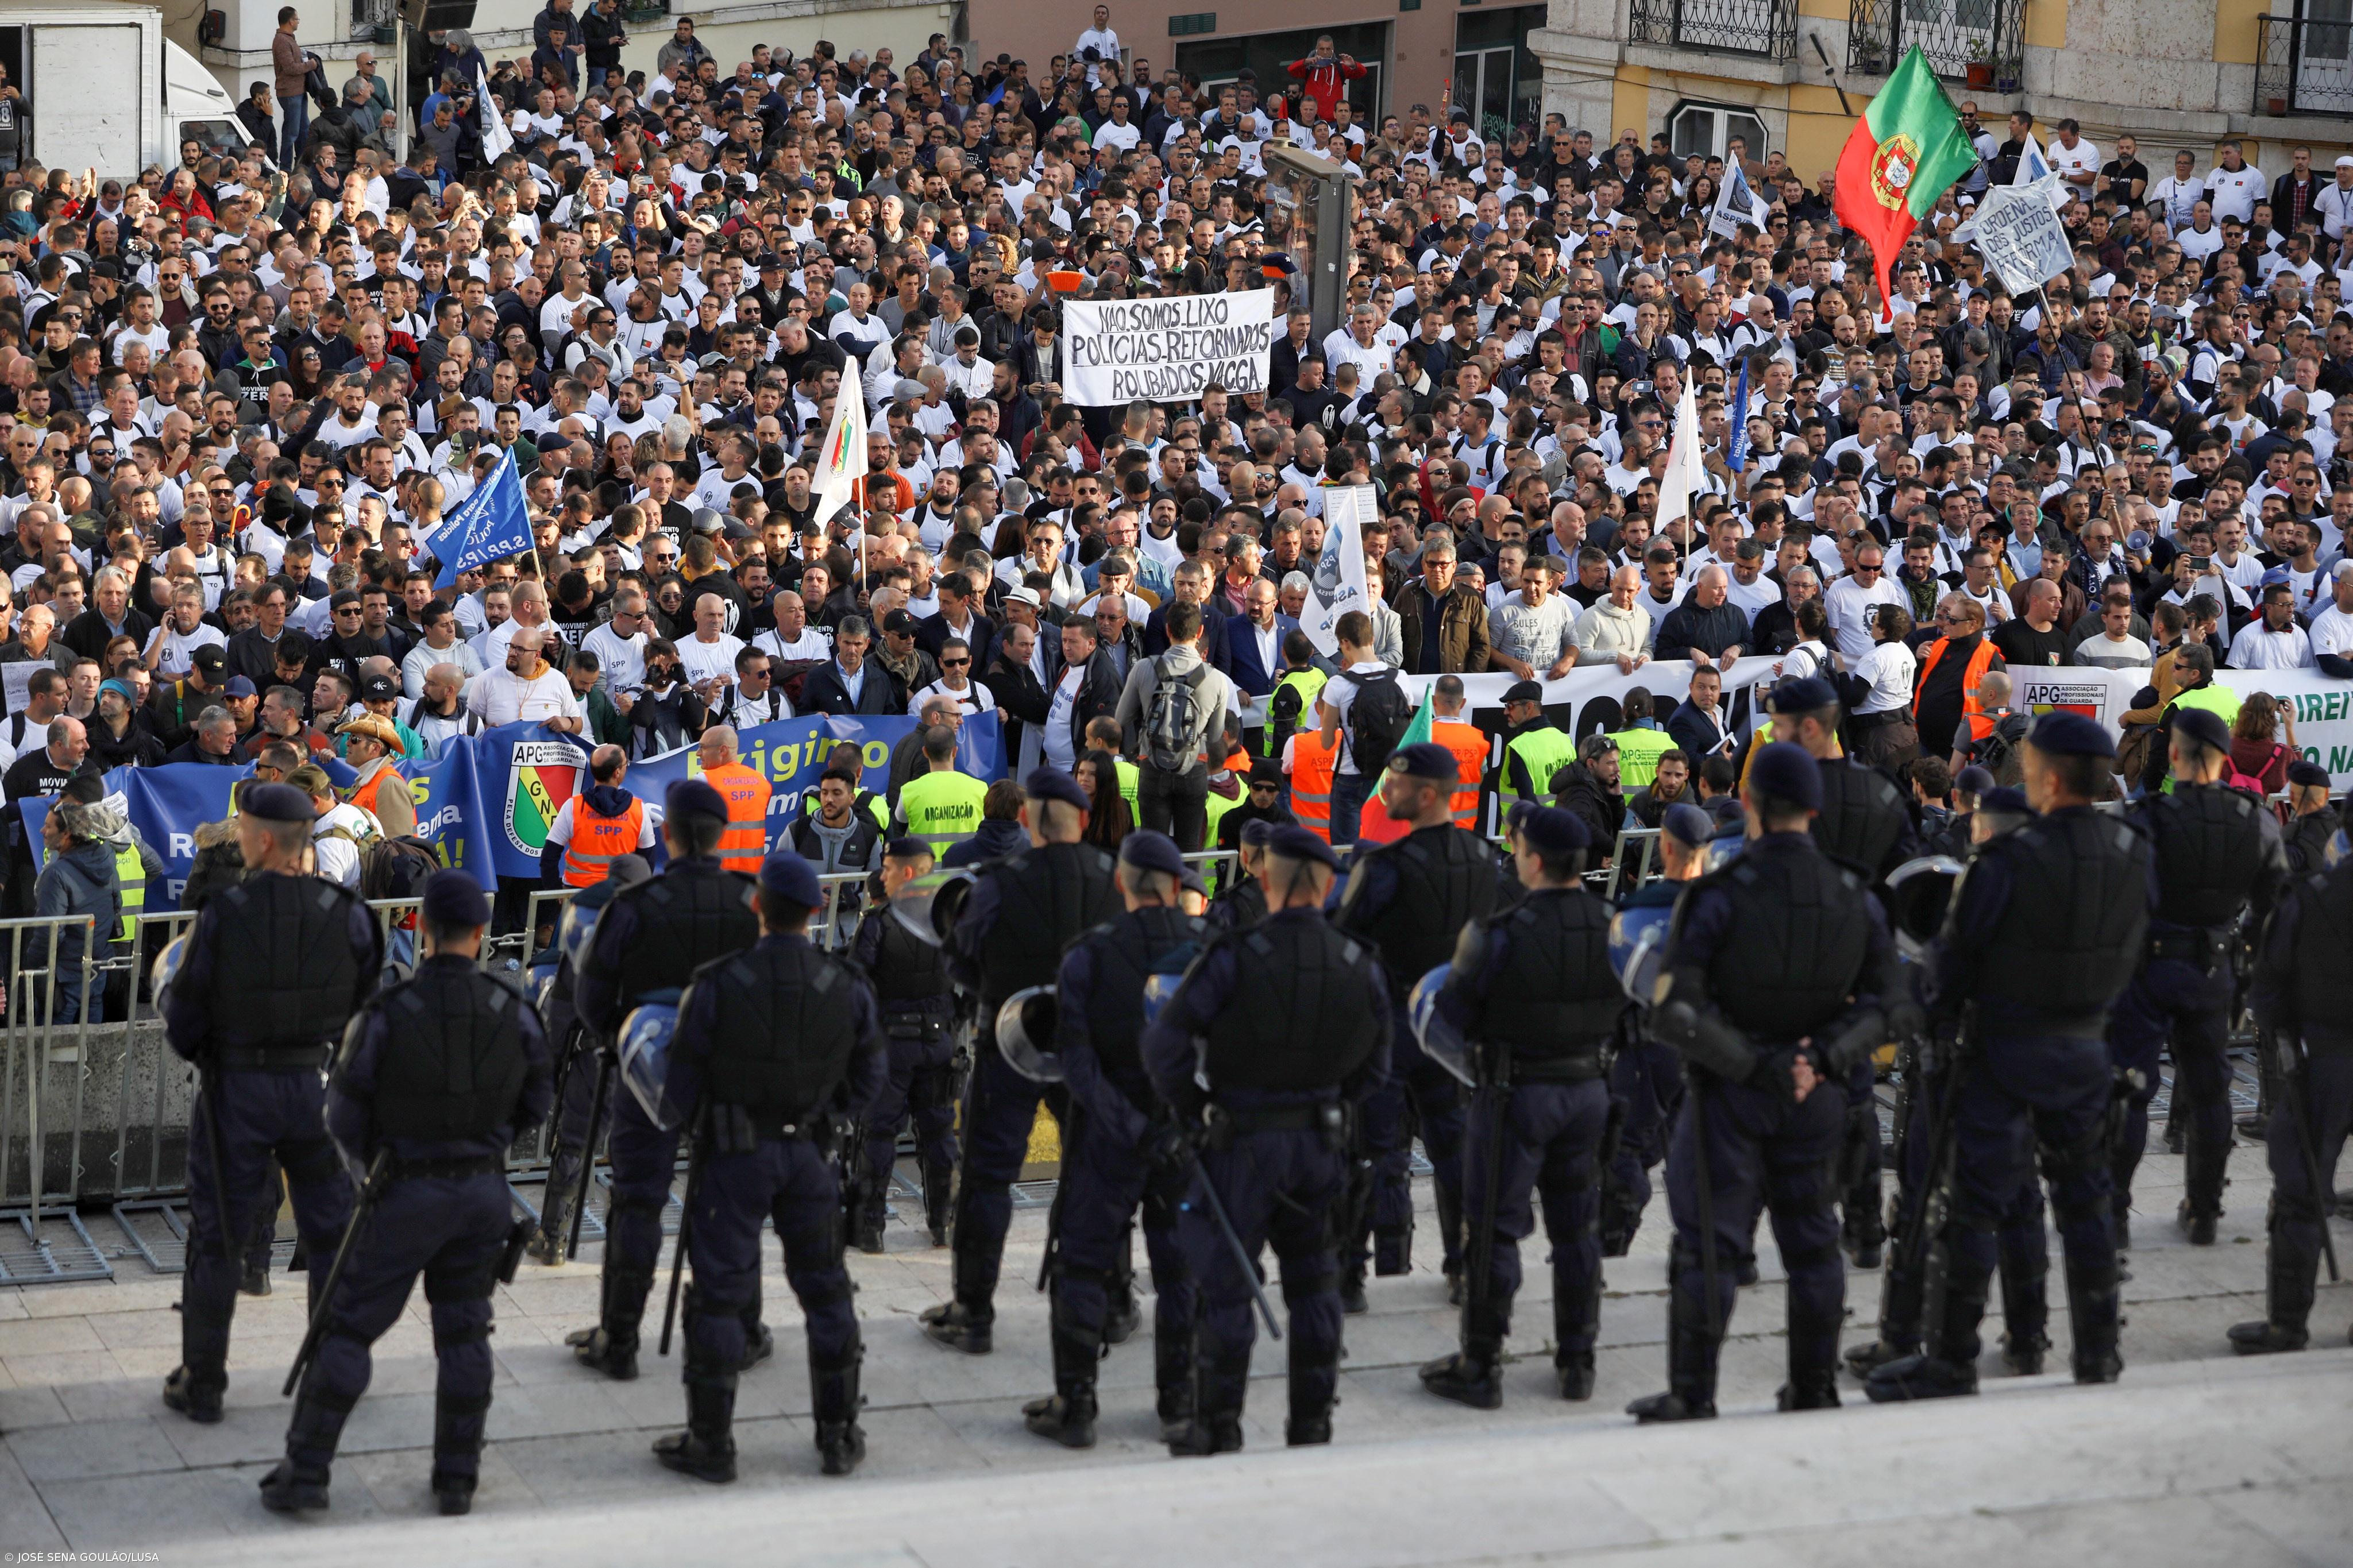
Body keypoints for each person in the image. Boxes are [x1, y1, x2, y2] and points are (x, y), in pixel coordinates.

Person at [260, 870, 551, 1515]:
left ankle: (306, 1472)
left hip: (404, 1190)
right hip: (481, 1194)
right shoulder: (515, 1011)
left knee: (348, 1328)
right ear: (479, 934)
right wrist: (486, 1143)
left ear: (420, 930)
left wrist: (381, 1162)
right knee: (466, 1335)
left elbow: (342, 1116)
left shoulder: (388, 1014)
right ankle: (457, 1478)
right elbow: (537, 1102)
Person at [1630, 742, 1893, 1422]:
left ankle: (1694, 1393)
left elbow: (1676, 1010)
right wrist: (1821, 1060)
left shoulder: (1718, 895)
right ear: (1814, 808)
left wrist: (1755, 1065)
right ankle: (1813, 1386)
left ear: (1746, 804)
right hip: (1815, 1092)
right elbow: (1889, 1007)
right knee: (1812, 1238)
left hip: (1731, 1092)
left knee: (1708, 1246)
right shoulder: (1852, 895)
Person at [1141, 825, 1391, 1453]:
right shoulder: (1356, 961)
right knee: (1315, 1285)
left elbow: (1164, 1046)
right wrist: (1331, 1104)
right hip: (1318, 1145)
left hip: (1239, 1146)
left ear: (1268, 880)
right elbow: (1379, 1067)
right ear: (1327, 885)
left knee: (1224, 1291)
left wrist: (1198, 1109)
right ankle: (1311, 1422)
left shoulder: (1233, 956)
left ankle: (1218, 1425)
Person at [651, 849, 888, 1482]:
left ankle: (712, 1443)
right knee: (828, 1293)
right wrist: (824, 1115)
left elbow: (678, 1088)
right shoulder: (846, 984)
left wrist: (702, 1125)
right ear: (814, 912)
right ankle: (838, 1435)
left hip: (733, 1157)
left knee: (721, 1300)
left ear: (757, 906)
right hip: (809, 1154)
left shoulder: (718, 983)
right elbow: (869, 1079)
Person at [160, 782, 383, 1424]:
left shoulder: (226, 913)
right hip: (318, 1086)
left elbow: (186, 1018)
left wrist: (213, 1056)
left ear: (260, 841)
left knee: (218, 1235)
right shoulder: (348, 912)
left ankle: (203, 1383)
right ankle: (332, 1375)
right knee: (331, 1234)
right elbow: (368, 1011)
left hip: (239, 1090)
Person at [1418, 806, 1625, 1408]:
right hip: (1588, 1090)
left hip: (1515, 1094)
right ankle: (1577, 1358)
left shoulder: (1499, 933)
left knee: (1492, 1229)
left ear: (1531, 859)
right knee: (1576, 1229)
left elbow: (1450, 1016)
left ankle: (1480, 1364)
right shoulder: (1613, 925)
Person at [566, 781, 760, 1380]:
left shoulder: (635, 905)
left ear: (668, 835)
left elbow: (593, 994)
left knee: (638, 1200)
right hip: (729, 1070)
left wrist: (614, 1037)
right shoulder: (749, 900)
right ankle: (743, 1329)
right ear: (721, 836)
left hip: (647, 1064)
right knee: (729, 1202)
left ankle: (619, 1338)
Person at [923, 768, 1118, 1352]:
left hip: (1011, 1042)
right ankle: (1111, 1300)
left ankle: (974, 1310)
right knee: (1097, 1169)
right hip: (1086, 1046)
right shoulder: (1114, 881)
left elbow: (959, 958)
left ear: (1028, 820)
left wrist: (992, 989)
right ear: (1082, 821)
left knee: (988, 1176)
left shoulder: (998, 883)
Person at [1023, 831, 1206, 1447]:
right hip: (1181, 1140)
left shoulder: (1088, 955)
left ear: (1123, 883)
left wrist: (1130, 1129)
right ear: (1176, 887)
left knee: (1081, 1264)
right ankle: (1179, 1401)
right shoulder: (1208, 951)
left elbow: (1075, 1064)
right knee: (1180, 1273)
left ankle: (1075, 1406)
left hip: (1106, 1137)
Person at [2107, 706, 2286, 1246]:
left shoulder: (2150, 817)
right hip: (2215, 969)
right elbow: (2274, 903)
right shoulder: (2254, 818)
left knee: (2132, 1089)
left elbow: (2117, 895)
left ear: (2177, 754)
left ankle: (2113, 1211)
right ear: (2226, 757)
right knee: (2212, 1094)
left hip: (2151, 968)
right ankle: (2205, 1210)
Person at [1334, 743, 1501, 1304]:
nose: (1389, 792)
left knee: (1370, 1149)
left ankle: (1356, 1270)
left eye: (1398, 784)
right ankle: (1461, 1264)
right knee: (1454, 1150)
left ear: (1426, 794)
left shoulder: (1383, 867)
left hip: (1389, 1031)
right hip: (1451, 1029)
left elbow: (1345, 946)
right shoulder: (1483, 860)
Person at [1764, 674, 1920, 1269]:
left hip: (1783, 973)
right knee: (1855, 1101)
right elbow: (1905, 882)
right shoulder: (1880, 794)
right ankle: (1863, 1226)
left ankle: (1759, 1232)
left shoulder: (1781, 796)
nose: (1774, 738)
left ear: (1808, 728)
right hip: (1854, 975)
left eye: (1780, 727)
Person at [2230, 801, 2353, 1353]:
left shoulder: (2311, 898)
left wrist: (2286, 1045)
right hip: (2325, 1055)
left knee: (2302, 1191)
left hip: (2324, 1061)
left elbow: (2269, 987)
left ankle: (2287, 1322)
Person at [524, 852, 652, 1265]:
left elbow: (563, 1001)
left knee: (575, 1143)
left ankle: (554, 1236)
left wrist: (556, 1059)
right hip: (643, 1055)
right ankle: (629, 1239)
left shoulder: (583, 928)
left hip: (590, 1054)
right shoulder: (658, 926)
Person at [1598, 801, 1712, 1257]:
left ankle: (1612, 1239)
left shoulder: (1641, 907)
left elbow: (1619, 977)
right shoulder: (1725, 904)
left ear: (1665, 846)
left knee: (1624, 1148)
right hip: (1708, 1047)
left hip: (1648, 1048)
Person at [850, 838, 958, 1249]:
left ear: (908, 874)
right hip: (940, 1041)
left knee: (878, 1135)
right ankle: (942, 1222)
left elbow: (857, 983)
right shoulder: (949, 920)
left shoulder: (880, 923)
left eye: (889, 868)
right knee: (939, 1135)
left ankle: (871, 1229)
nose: (883, 876)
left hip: (891, 1046)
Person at [896, 725, 988, 855]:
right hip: (967, 871)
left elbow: (900, 824)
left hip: (925, 872)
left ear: (925, 752)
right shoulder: (981, 789)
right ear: (955, 751)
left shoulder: (909, 791)